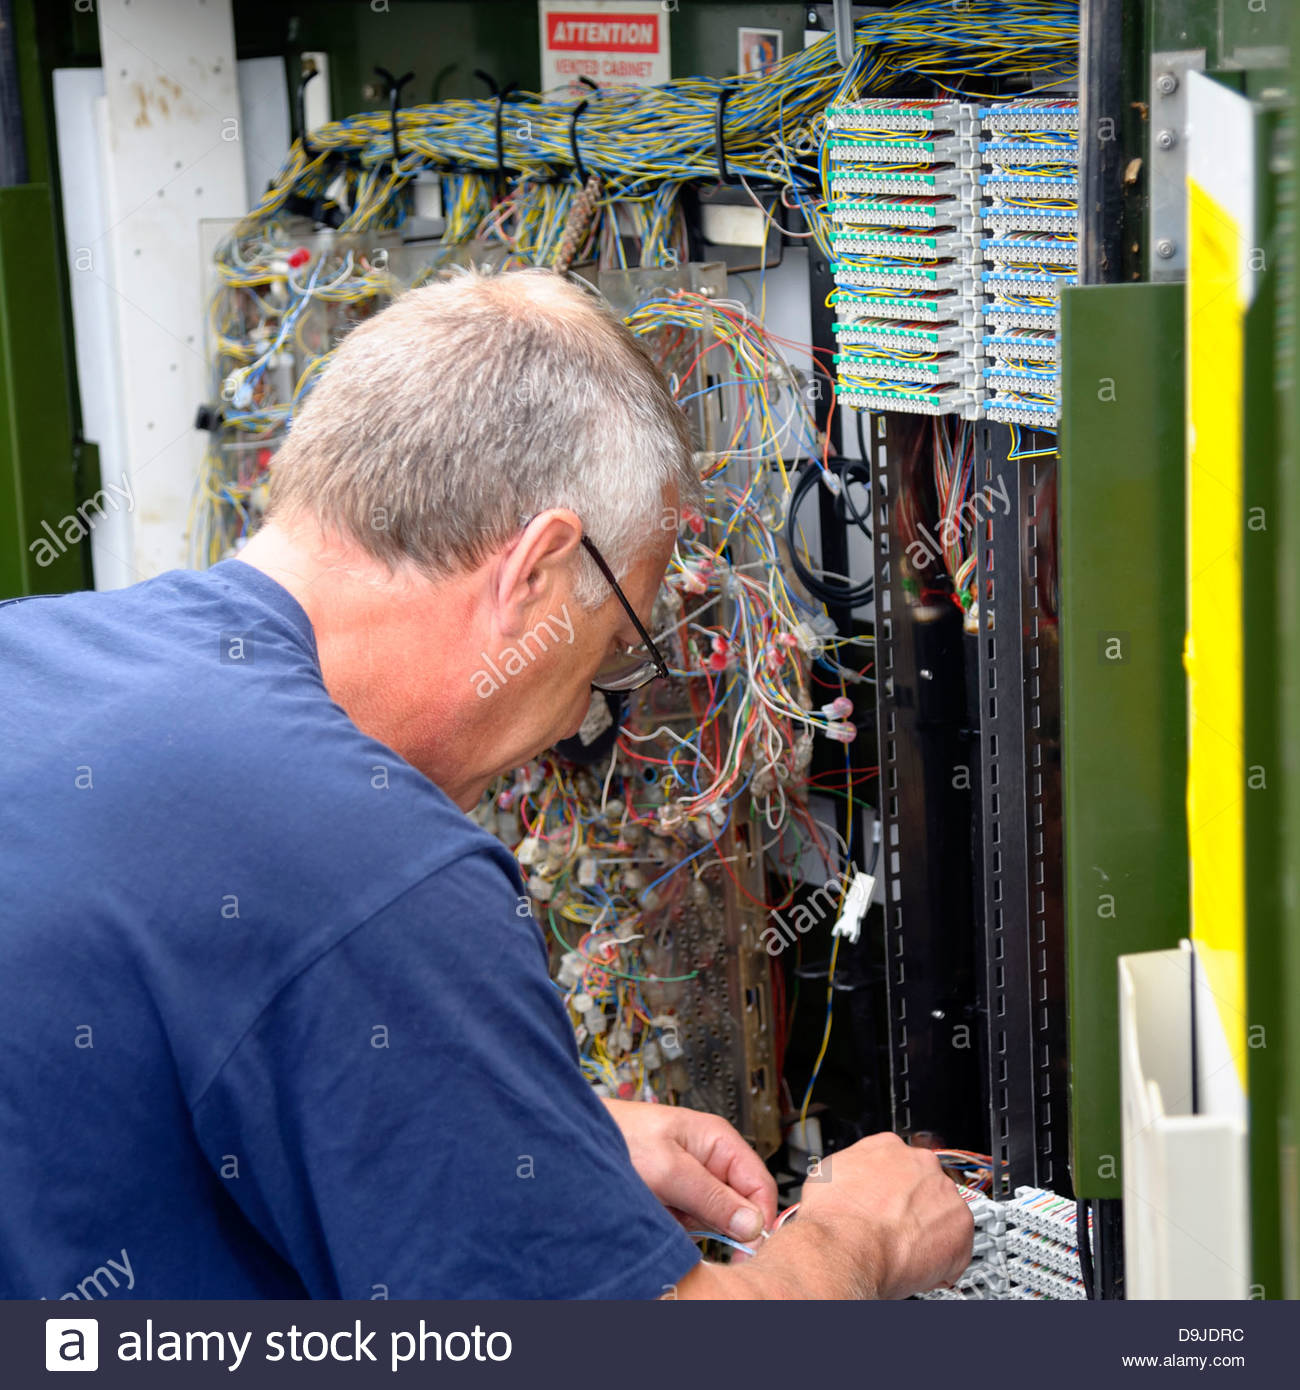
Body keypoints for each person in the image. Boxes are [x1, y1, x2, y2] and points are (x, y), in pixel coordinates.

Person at [0, 268, 971, 1300]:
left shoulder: (37, 653)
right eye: (608, 651)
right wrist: (858, 1237)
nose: (573, 721)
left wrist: (526, 1143)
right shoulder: (369, 860)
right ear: (538, 572)